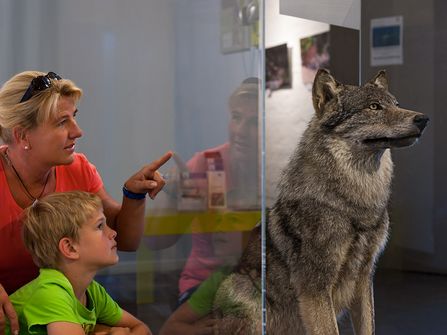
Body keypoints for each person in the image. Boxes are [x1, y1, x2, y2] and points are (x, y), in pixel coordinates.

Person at [0, 70, 172, 335]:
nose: (77, 132)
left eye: (74, 118)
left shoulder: (78, 168)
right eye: (61, 122)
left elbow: (124, 239)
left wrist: (134, 196)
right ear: (22, 136)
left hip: (60, 311)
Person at [147, 78, 260, 308]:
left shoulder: (282, 168)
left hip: (262, 289)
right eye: (236, 118)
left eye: (255, 122)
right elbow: (157, 240)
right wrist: (174, 193)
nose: (240, 131)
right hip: (204, 287)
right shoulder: (208, 165)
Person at [6, 191, 151, 335]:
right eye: (100, 226)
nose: (113, 233)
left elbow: (141, 327)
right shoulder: (51, 293)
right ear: (70, 248)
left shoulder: (93, 291)